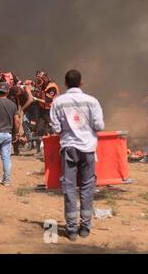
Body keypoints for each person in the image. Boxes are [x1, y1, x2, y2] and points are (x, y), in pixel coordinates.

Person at [50, 69, 104, 241]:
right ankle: (85, 227)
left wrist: (67, 129)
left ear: (65, 84)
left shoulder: (58, 102)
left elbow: (56, 127)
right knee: (87, 187)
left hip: (69, 148)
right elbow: (99, 125)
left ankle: (71, 229)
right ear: (81, 83)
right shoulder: (92, 101)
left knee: (69, 188)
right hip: (88, 149)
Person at [8, 81, 40, 152]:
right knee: (24, 123)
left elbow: (30, 99)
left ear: (18, 90)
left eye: (17, 94)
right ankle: (30, 143)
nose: (17, 96)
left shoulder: (25, 87)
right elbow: (20, 102)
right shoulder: (18, 94)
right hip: (28, 109)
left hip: (35, 108)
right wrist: (19, 111)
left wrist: (21, 109)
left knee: (34, 126)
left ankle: (36, 146)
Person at [35, 70, 59, 153]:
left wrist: (35, 99)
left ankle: (53, 149)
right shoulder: (42, 86)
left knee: (51, 130)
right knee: (39, 129)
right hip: (42, 110)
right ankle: (39, 150)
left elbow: (48, 100)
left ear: (44, 78)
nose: (38, 81)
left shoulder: (52, 87)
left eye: (40, 79)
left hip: (51, 111)